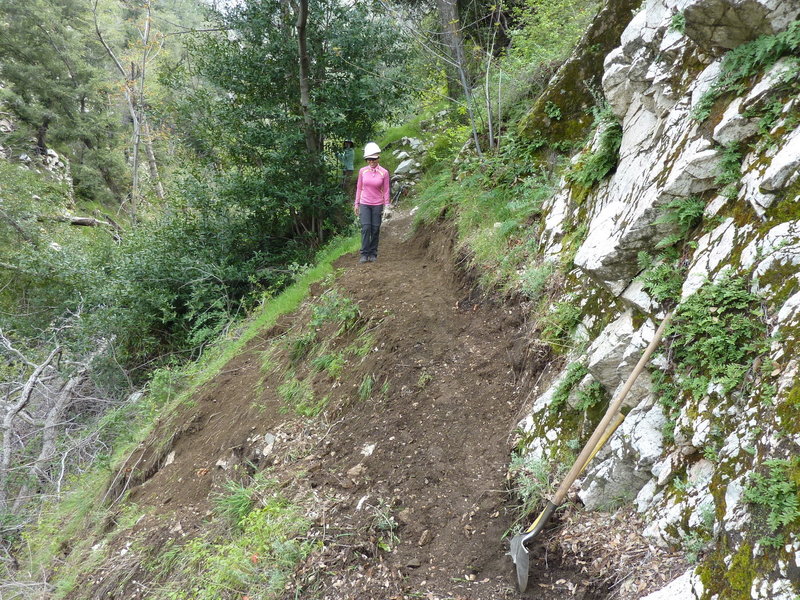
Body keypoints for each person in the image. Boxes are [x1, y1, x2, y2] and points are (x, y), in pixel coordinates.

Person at [354, 142, 390, 263]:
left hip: (377, 204)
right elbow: (359, 187)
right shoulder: (362, 171)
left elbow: (386, 190)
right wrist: (356, 203)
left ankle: (373, 253)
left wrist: (387, 206)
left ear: (378, 158)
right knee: (366, 228)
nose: (371, 161)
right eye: (369, 159)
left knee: (375, 229)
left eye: (374, 159)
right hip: (365, 203)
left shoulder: (384, 173)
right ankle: (364, 254)